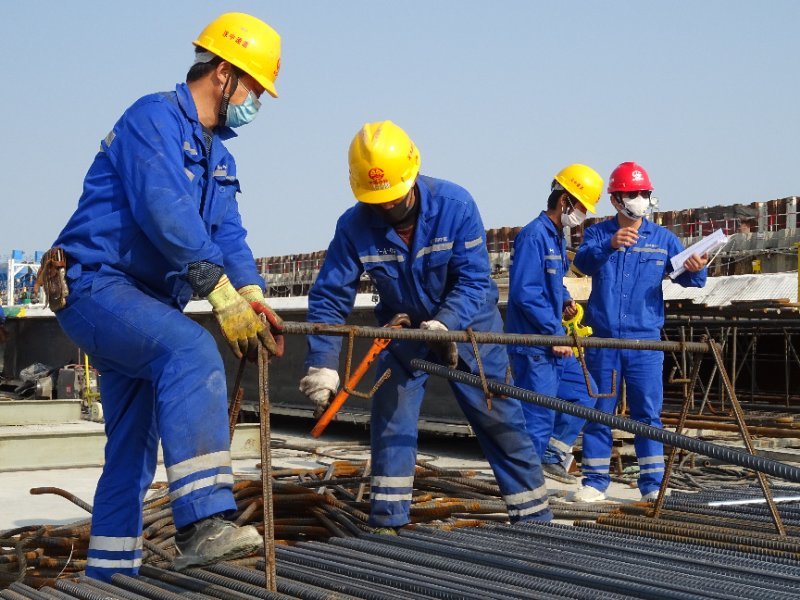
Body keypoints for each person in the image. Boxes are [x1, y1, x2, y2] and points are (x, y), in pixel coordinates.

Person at [47, 13, 284, 581]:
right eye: (254, 89)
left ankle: (108, 579)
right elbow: (165, 212)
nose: (256, 105)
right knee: (190, 353)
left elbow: (228, 234)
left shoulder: (219, 160)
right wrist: (217, 294)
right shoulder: (152, 118)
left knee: (130, 452)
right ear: (224, 74)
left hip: (145, 305)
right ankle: (204, 524)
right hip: (98, 286)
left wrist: (250, 295)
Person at [299, 120, 553, 530]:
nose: (385, 206)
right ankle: (389, 525)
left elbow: (474, 281)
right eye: (375, 200)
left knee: (500, 421)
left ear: (413, 174)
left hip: (470, 329)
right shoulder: (353, 225)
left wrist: (444, 325)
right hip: (401, 334)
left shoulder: (455, 205)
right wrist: (322, 362)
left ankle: (534, 520)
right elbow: (331, 295)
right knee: (391, 421)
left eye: (393, 197)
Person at [572, 161, 708, 502]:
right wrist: (610, 244)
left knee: (647, 414)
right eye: (633, 194)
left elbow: (689, 279)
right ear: (616, 199)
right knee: (598, 411)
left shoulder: (663, 239)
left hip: (645, 342)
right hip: (603, 340)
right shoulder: (598, 234)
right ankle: (594, 482)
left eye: (644, 193)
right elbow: (582, 264)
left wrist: (696, 269)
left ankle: (651, 486)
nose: (640, 199)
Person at [505, 164, 603, 484]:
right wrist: (553, 333)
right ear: (565, 201)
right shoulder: (533, 235)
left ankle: (553, 455)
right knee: (537, 416)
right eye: (582, 207)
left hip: (551, 340)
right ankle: (526, 488)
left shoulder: (556, 237)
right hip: (535, 345)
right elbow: (525, 293)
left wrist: (564, 300)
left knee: (586, 394)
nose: (584, 215)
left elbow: (551, 283)